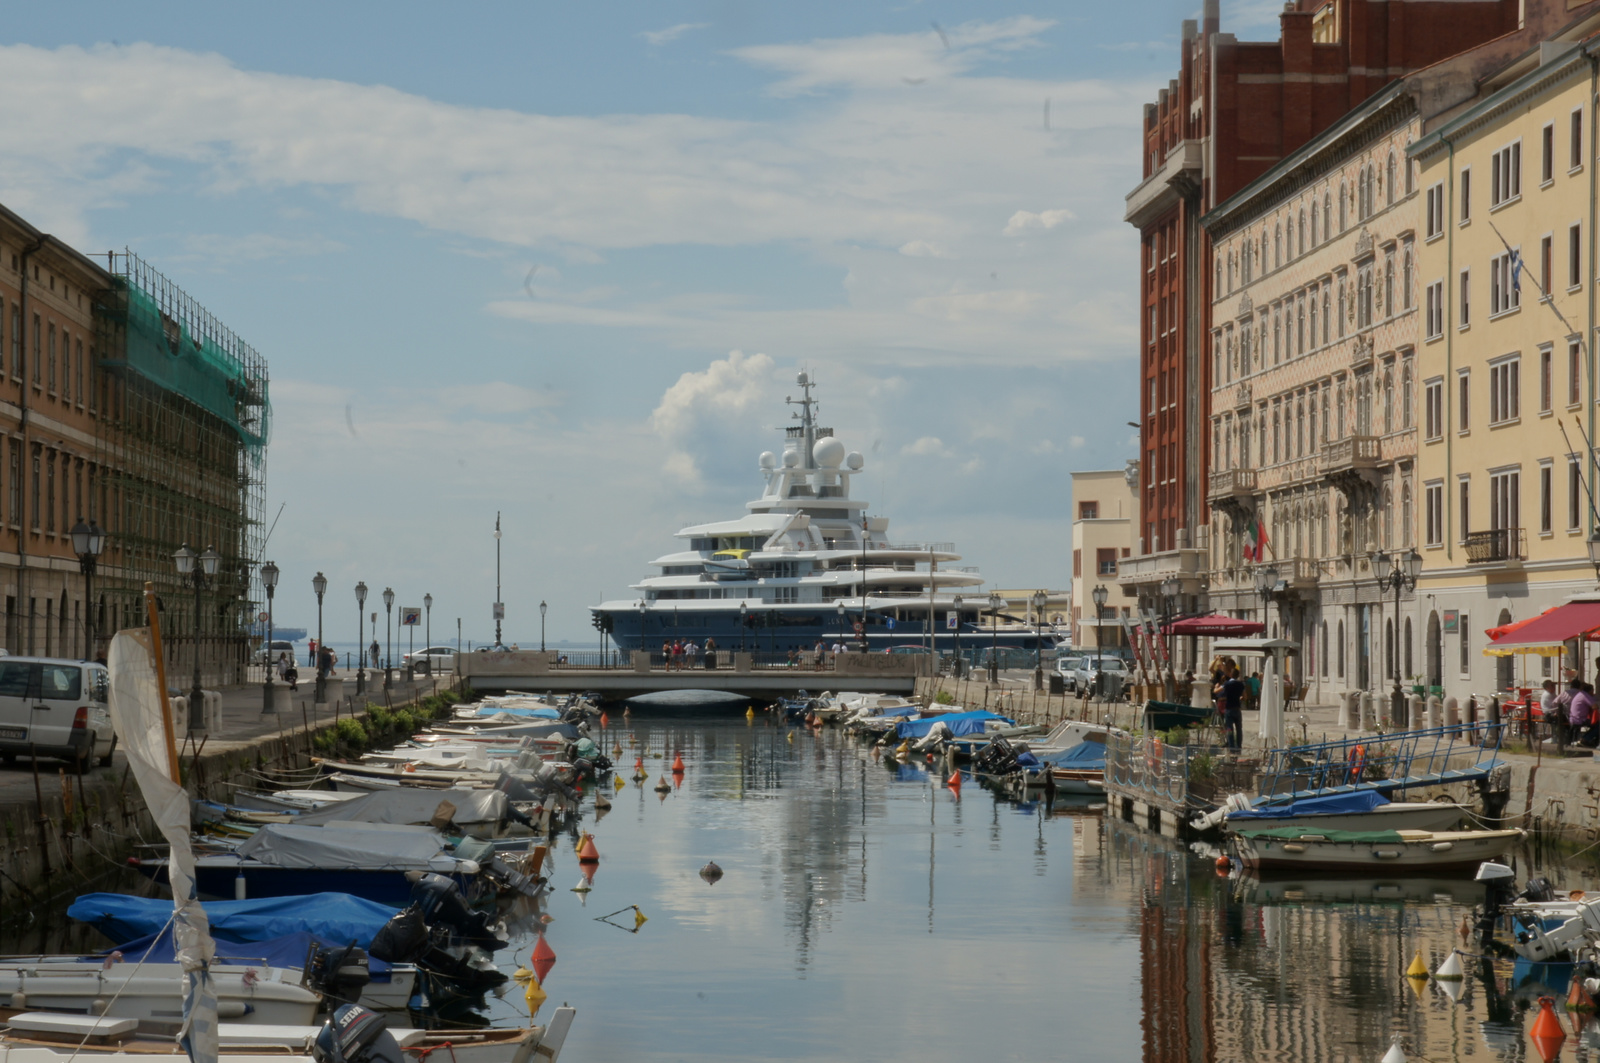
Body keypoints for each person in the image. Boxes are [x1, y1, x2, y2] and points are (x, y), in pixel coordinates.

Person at [1216, 665, 1245, 753]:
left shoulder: (1227, 684)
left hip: (1229, 708)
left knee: (1229, 729)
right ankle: (1239, 747)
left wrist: (1216, 686)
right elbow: (1245, 696)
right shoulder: (1241, 684)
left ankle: (1232, 748)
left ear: (1231, 675)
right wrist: (1239, 698)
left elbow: (1216, 691)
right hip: (1237, 708)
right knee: (1239, 729)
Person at [1542, 679, 1566, 751]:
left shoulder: (1552, 694)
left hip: (1552, 713)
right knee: (1562, 720)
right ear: (1547, 687)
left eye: (1554, 685)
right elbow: (1554, 705)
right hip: (1549, 715)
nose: (1554, 687)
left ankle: (1558, 737)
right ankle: (1557, 738)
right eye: (1552, 686)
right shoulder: (1548, 695)